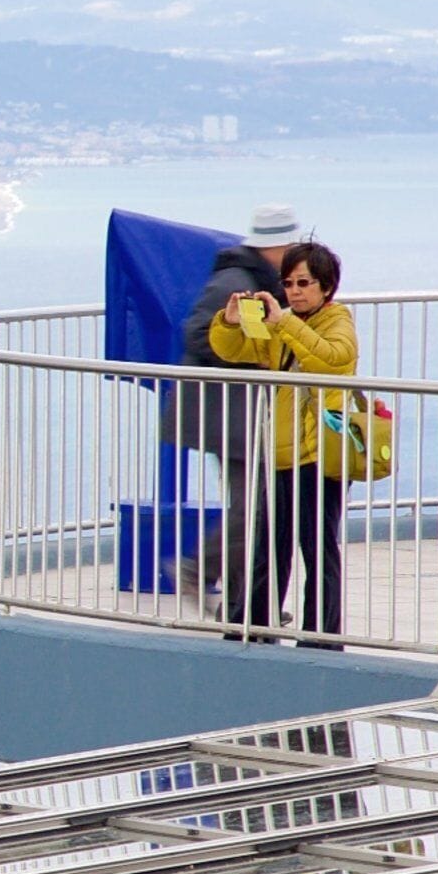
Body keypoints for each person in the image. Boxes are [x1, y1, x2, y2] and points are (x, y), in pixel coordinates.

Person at [205, 240, 355, 640]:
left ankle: (321, 636)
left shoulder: (338, 320)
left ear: (326, 287)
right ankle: (250, 629)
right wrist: (231, 322)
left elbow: (333, 358)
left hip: (320, 455)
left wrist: (285, 324)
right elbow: (237, 351)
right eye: (288, 283)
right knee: (268, 547)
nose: (295, 291)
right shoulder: (283, 323)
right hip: (281, 454)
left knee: (319, 550)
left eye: (304, 283)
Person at [175, 205, 308, 618]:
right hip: (229, 414)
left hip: (243, 414)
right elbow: (199, 333)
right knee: (258, 508)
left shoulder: (258, 279)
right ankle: (203, 569)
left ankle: (243, 603)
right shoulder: (236, 282)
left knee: (257, 506)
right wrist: (252, 357)